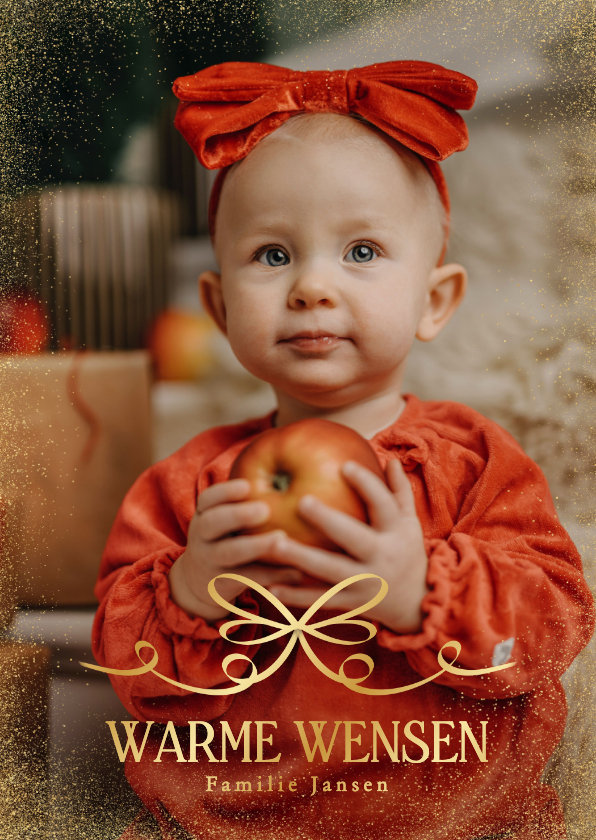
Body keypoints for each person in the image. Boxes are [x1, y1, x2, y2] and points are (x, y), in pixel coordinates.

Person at [92, 61, 595, 840]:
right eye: (272, 255)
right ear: (220, 310)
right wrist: (191, 590)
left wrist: (422, 591)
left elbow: (552, 625)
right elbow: (130, 673)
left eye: (360, 252)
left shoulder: (474, 461)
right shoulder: (193, 487)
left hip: (461, 826)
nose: (312, 288)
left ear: (434, 301)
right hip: (233, 825)